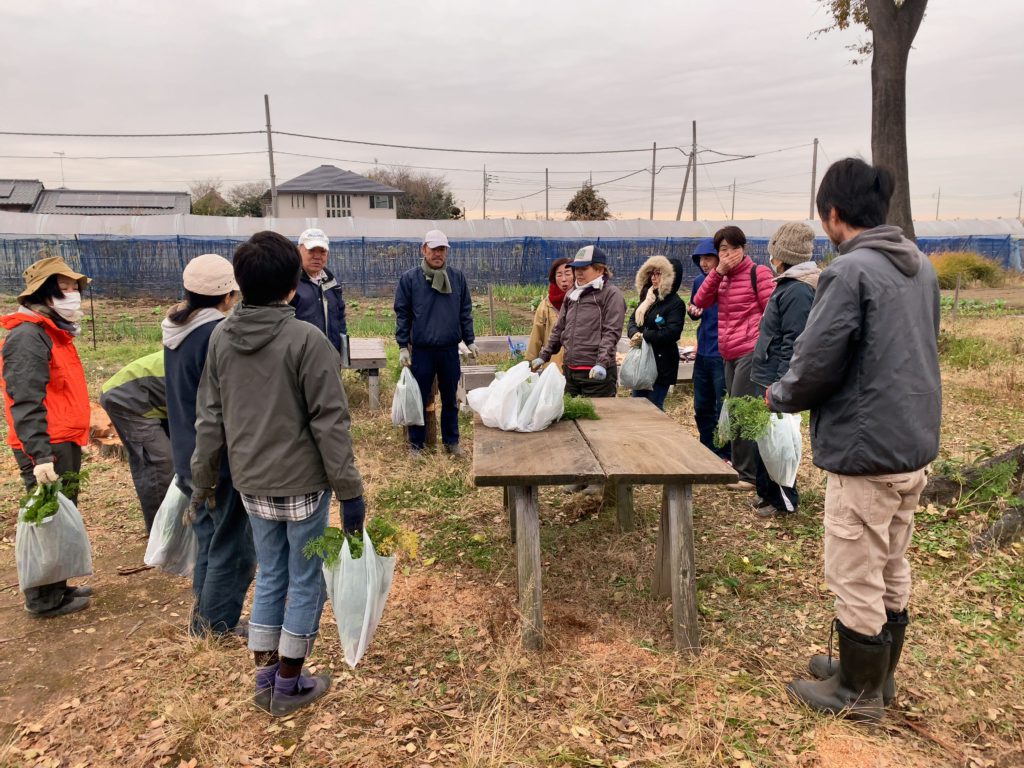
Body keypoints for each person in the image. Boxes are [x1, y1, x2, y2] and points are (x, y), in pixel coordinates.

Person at [769, 158, 941, 722]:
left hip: (866, 449)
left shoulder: (849, 272)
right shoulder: (921, 267)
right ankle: (875, 675)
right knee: (892, 560)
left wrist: (780, 395)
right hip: (911, 443)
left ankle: (857, 692)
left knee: (855, 568)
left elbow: (817, 361)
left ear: (835, 214)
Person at [189, 231, 366, 717]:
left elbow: (210, 417)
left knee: (271, 575)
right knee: (305, 579)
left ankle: (266, 676)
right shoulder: (306, 340)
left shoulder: (222, 336)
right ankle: (288, 684)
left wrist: (202, 481)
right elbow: (330, 421)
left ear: (241, 284)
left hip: (251, 483)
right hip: (303, 485)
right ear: (293, 285)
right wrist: (351, 492)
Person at [163, 254, 255, 638]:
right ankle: (216, 626)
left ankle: (203, 621)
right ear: (229, 295)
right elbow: (227, 406)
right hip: (217, 459)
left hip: (188, 456)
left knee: (208, 539)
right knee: (232, 547)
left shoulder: (176, 329)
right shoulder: (218, 335)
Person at [0, 255, 93, 618]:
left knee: (59, 514)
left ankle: (57, 588)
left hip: (61, 437)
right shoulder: (28, 337)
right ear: (43, 294)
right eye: (64, 290)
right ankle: (42, 598)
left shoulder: (52, 332)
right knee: (45, 517)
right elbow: (25, 399)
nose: (73, 296)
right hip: (46, 444)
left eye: (74, 289)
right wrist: (39, 455)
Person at [532, 245, 626, 494]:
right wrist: (544, 355)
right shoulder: (573, 294)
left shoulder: (610, 295)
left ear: (600, 269)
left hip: (596, 373)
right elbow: (559, 328)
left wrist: (602, 361)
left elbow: (611, 331)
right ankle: (580, 472)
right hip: (572, 369)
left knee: (597, 428)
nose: (578, 274)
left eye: (584, 269)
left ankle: (600, 479)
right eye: (576, 269)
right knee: (573, 424)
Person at [691, 226, 774, 492]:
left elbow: (771, 310)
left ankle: (747, 474)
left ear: (743, 248)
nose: (726, 255)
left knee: (740, 410)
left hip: (749, 350)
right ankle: (742, 467)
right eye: (721, 250)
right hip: (727, 352)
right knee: (733, 409)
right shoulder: (722, 277)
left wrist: (758, 339)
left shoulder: (757, 273)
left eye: (731, 249)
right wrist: (717, 273)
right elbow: (700, 300)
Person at [749, 223, 820, 518]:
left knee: (778, 440)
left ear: (782, 254)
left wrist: (779, 383)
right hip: (767, 373)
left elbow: (794, 340)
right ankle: (766, 493)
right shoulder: (787, 284)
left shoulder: (798, 290)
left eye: (773, 253)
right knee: (764, 437)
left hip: (775, 378)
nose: (770, 258)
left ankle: (784, 500)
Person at [394, 229, 478, 457]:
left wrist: (469, 340)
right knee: (418, 399)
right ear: (424, 250)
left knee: (450, 399)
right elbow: (402, 313)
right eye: (433, 249)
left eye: (442, 249)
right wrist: (403, 345)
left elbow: (465, 311)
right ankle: (417, 445)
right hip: (422, 350)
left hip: (450, 350)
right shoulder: (410, 279)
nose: (437, 254)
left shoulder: (457, 278)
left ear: (446, 252)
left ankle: (451, 442)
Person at [99, 351, 173, 533]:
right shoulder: (211, 363)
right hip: (127, 397)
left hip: (156, 397)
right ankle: (162, 534)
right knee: (160, 462)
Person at [687, 239, 730, 461]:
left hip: (722, 353)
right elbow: (696, 309)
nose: (703, 263)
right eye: (700, 259)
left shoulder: (730, 282)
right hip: (704, 350)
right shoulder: (699, 281)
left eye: (708, 258)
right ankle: (707, 448)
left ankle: (725, 452)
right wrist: (693, 311)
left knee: (722, 406)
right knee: (702, 405)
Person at [625, 255, 686, 410]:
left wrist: (644, 335)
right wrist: (634, 334)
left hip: (661, 364)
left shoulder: (675, 303)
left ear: (670, 277)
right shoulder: (647, 298)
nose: (653, 278)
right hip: (642, 362)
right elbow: (632, 322)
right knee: (637, 406)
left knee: (654, 408)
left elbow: (672, 333)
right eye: (652, 273)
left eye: (659, 274)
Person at [290, 228, 348, 362]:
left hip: (330, 354)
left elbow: (340, 315)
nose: (317, 256)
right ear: (299, 251)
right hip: (301, 358)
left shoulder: (330, 280)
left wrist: (341, 345)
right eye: (311, 251)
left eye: (322, 251)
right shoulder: (290, 283)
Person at [525, 257, 573, 370]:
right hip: (552, 367)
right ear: (554, 278)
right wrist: (529, 363)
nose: (564, 279)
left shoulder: (583, 301)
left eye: (568, 273)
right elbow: (536, 335)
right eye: (559, 275)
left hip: (577, 367)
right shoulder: (546, 305)